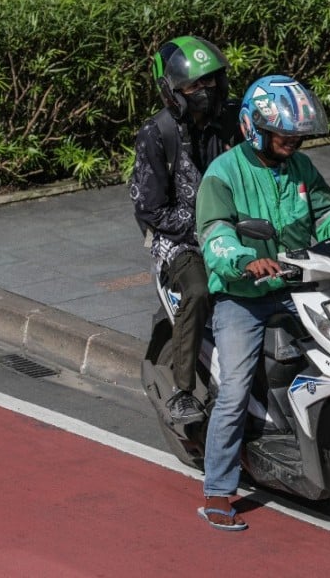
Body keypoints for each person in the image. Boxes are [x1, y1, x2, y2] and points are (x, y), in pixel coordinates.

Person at [194, 75, 330, 530]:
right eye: (284, 135)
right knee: (235, 388)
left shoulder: (300, 168)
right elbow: (214, 235)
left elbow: (325, 213)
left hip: (301, 287)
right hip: (243, 297)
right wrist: (244, 261)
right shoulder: (223, 175)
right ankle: (218, 488)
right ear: (253, 127)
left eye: (298, 135)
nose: (293, 142)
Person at [129, 36, 241, 424]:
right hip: (179, 237)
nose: (205, 92)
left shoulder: (233, 118)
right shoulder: (156, 134)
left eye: (210, 81)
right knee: (197, 290)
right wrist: (201, 225)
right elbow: (150, 207)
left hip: (233, 223)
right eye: (194, 85)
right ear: (173, 91)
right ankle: (182, 390)